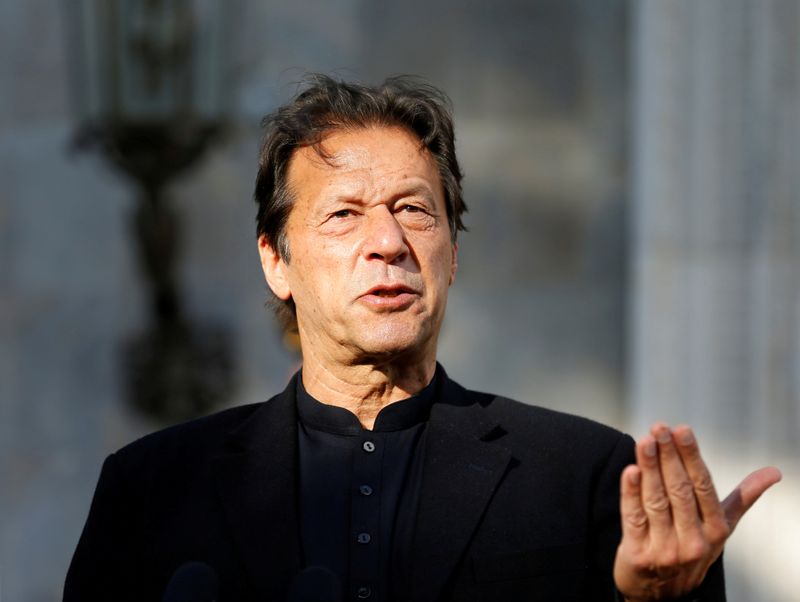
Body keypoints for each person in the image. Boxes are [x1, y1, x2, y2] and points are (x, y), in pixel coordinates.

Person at [64, 75, 781, 602]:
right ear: (275, 260)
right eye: (344, 215)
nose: (388, 242)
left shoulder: (589, 477)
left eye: (415, 210)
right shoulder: (153, 490)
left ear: (453, 253)